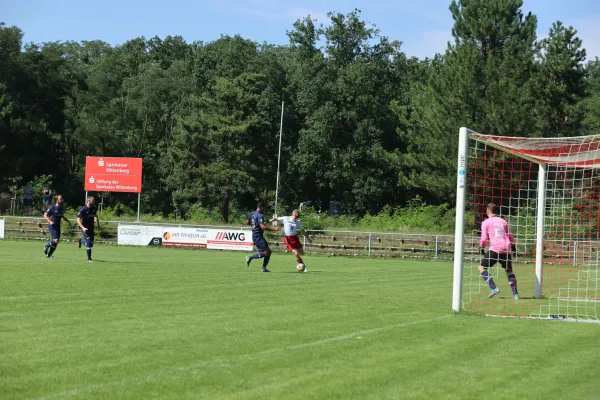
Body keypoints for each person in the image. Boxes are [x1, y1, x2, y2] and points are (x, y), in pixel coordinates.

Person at [479, 203, 519, 299]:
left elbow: (484, 239)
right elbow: (511, 237)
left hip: (495, 248)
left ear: (487, 211)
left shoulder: (486, 222)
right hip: (506, 248)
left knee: (481, 268)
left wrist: (482, 247)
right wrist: (513, 249)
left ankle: (493, 288)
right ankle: (515, 294)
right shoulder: (504, 222)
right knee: (509, 271)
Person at [245, 202, 280, 272]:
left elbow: (247, 222)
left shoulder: (252, 213)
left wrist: (253, 224)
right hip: (258, 236)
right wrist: (274, 229)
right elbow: (263, 227)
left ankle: (263, 268)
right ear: (262, 208)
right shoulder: (260, 215)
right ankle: (250, 257)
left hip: (255, 236)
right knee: (267, 252)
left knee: (268, 252)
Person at [43, 194, 71, 259]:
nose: (62, 200)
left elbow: (62, 216)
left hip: (58, 226)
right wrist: (50, 222)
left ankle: (49, 255)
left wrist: (68, 221)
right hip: (52, 226)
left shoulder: (61, 208)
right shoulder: (52, 207)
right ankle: (46, 245)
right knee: (56, 240)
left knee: (56, 242)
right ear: (57, 200)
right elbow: (45, 215)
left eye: (62, 199)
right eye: (60, 199)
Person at [77, 196, 100, 263]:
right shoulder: (83, 209)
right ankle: (89, 259)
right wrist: (83, 227)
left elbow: (95, 215)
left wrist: (97, 222)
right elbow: (78, 220)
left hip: (91, 227)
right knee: (89, 242)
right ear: (89, 200)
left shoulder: (94, 208)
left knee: (91, 244)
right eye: (93, 200)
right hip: (85, 228)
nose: (94, 201)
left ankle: (81, 241)